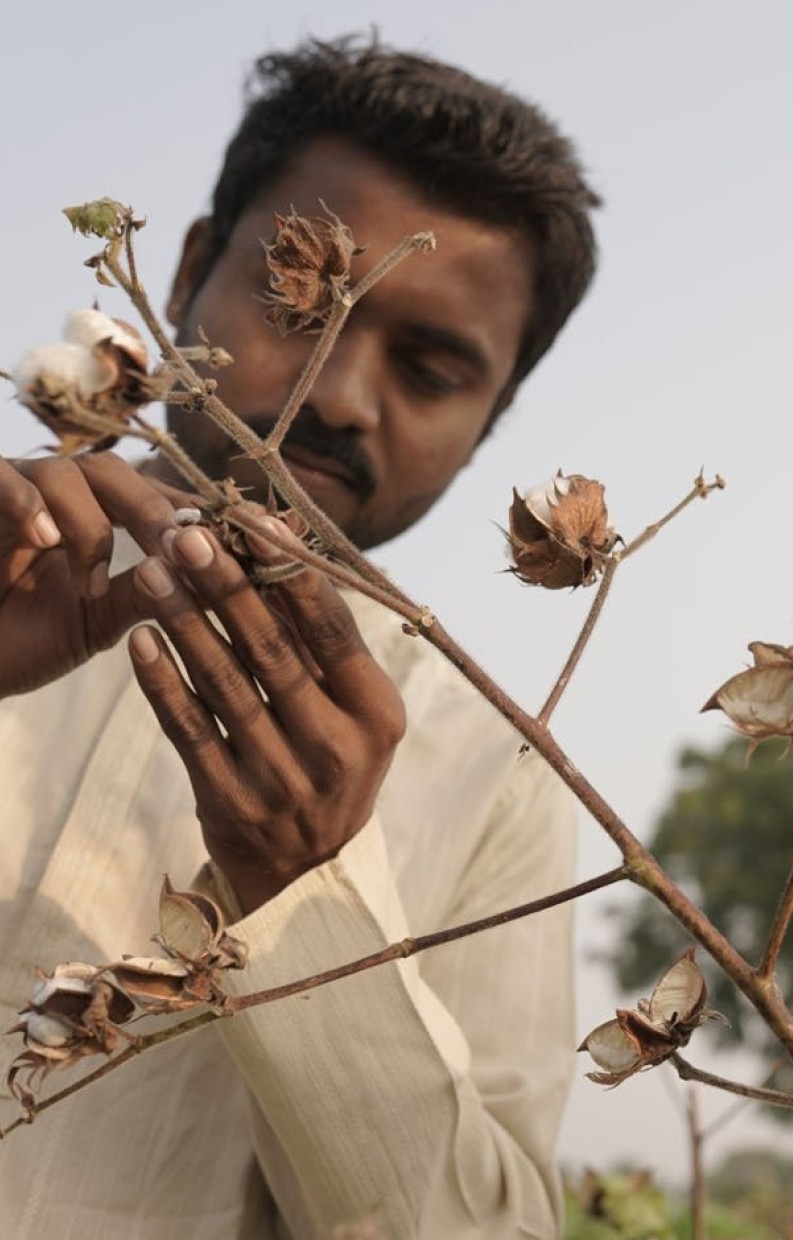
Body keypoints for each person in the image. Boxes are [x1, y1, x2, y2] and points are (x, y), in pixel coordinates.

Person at [0, 37, 600, 1239]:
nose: (337, 394)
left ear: (493, 421)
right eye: (299, 303)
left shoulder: (503, 780)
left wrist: (306, 899)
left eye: (429, 368)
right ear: (177, 276)